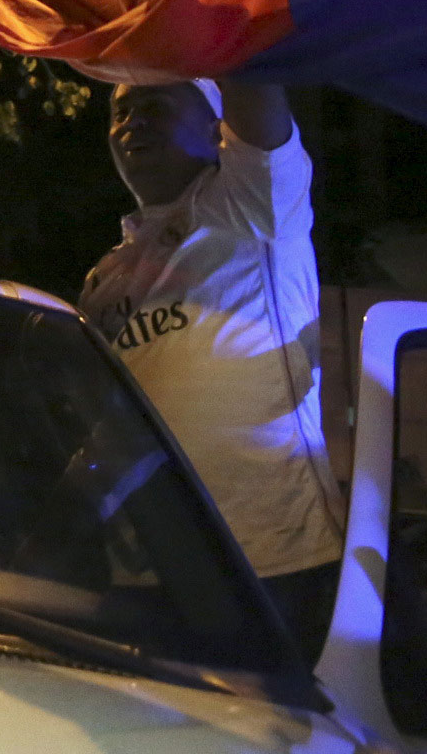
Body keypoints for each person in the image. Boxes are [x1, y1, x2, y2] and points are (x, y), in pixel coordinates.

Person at [78, 76, 342, 657]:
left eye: (155, 105)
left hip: (265, 564)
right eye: (121, 111)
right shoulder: (105, 278)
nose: (133, 122)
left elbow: (254, 83)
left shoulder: (249, 208)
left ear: (216, 128)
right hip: (143, 572)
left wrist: (205, 37)